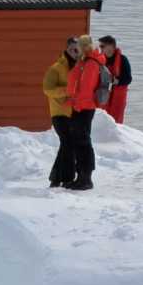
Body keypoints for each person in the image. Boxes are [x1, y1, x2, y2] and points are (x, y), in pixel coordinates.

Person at [63, 37, 106, 191]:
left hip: (84, 107)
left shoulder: (91, 64)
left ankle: (86, 179)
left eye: (78, 47)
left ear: (84, 47)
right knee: (80, 141)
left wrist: (76, 104)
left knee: (82, 142)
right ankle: (80, 176)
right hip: (81, 106)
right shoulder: (85, 61)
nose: (76, 50)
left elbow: (86, 89)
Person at [44, 37, 84, 189]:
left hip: (74, 113)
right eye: (73, 49)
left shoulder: (80, 67)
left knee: (68, 145)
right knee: (68, 143)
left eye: (78, 49)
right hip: (59, 113)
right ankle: (66, 178)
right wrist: (66, 92)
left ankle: (56, 178)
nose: (76, 52)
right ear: (67, 49)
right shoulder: (55, 68)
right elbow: (47, 89)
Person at [96, 35, 132, 125]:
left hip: (118, 96)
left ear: (111, 46)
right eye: (100, 46)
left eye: (102, 46)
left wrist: (118, 81)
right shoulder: (99, 60)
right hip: (103, 95)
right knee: (102, 120)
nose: (100, 49)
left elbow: (128, 79)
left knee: (117, 122)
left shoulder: (123, 60)